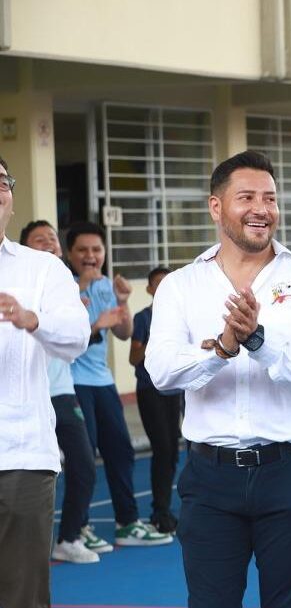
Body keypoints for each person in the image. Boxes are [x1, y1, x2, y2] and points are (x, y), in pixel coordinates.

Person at [146, 150, 291, 608]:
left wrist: (256, 340)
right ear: (217, 207)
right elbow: (161, 372)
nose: (262, 209)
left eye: (270, 198)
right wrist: (223, 348)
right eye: (247, 197)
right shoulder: (181, 285)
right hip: (210, 477)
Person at [0, 160, 90, 607]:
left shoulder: (42, 270)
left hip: (20, 455)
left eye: (2, 182)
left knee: (22, 595)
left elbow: (75, 338)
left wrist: (33, 320)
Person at [66, 220, 172, 548]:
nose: (90, 256)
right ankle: (78, 526)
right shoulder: (64, 287)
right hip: (73, 382)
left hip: (102, 380)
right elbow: (66, 340)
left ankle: (127, 522)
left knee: (121, 450)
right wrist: (87, 302)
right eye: (82, 250)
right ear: (70, 253)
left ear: (104, 252)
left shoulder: (105, 287)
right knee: (85, 456)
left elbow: (123, 333)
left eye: (96, 249)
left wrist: (123, 301)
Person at [20, 220, 100, 564]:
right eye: (40, 240)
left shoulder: (64, 284)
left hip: (63, 391)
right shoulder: (20, 282)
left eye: (53, 239)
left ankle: (68, 537)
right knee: (27, 476)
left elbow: (78, 337)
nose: (50, 244)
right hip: (28, 392)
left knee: (84, 463)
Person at [128, 266, 185, 533]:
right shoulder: (142, 318)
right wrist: (155, 341)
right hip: (150, 389)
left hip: (176, 390)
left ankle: (166, 508)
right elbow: (132, 358)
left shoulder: (183, 318)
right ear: (150, 290)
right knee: (162, 448)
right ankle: (159, 512)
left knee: (173, 450)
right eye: (157, 285)